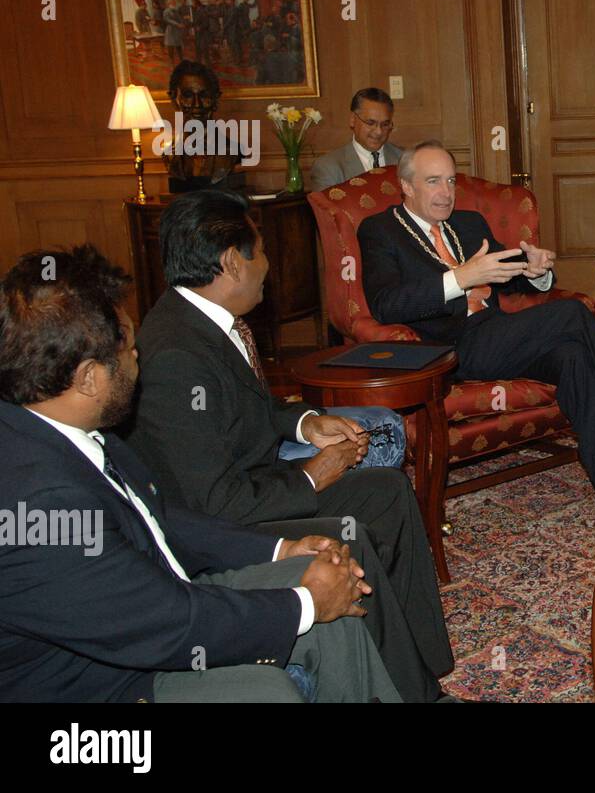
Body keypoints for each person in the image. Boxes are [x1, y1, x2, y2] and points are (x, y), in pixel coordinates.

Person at [0, 246, 401, 702]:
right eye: (130, 349)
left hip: (162, 602)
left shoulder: (63, 425)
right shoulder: (39, 503)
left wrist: (282, 549)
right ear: (89, 378)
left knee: (323, 582)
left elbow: (159, 518)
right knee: (266, 691)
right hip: (109, 682)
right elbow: (159, 625)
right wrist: (306, 604)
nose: (139, 358)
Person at [123, 189, 455, 701]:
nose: (269, 265)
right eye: (261, 251)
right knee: (352, 535)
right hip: (223, 522)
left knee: (388, 491)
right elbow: (214, 504)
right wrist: (311, 476)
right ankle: (412, 694)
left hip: (254, 484)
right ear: (232, 262)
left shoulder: (208, 320)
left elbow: (246, 406)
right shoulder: (175, 355)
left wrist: (305, 425)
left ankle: (423, 663)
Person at [357, 141, 595, 523]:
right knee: (572, 313)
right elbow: (387, 304)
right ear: (406, 186)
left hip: (499, 335)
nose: (446, 193)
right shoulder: (380, 231)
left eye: (451, 181)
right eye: (433, 182)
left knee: (574, 357)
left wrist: (536, 272)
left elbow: (512, 277)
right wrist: (460, 278)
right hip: (450, 350)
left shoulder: (469, 223)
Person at [309, 87, 404, 190]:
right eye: (370, 123)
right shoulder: (328, 167)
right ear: (353, 120)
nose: (379, 131)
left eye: (385, 124)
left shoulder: (404, 160)